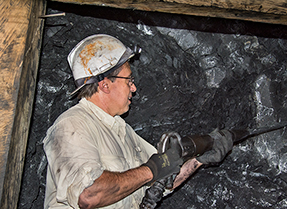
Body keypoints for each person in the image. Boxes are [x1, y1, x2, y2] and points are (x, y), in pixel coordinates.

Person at [43, 34, 233, 209]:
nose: (133, 88)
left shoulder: (123, 131)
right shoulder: (71, 125)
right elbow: (89, 195)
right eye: (128, 80)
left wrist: (200, 160)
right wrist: (151, 169)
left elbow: (163, 176)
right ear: (105, 84)